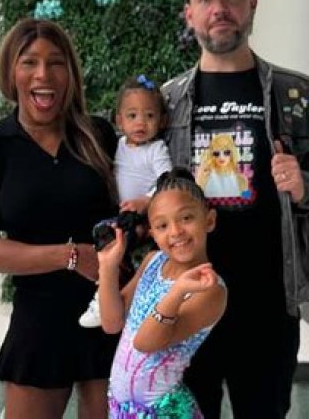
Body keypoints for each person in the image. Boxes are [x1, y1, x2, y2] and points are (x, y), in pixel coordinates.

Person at [161, 0, 309, 418]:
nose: (220, 8)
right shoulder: (166, 103)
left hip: (268, 309)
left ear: (251, 3)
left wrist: (306, 185)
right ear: (189, 13)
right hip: (187, 304)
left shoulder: (301, 96)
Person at [0, 18, 120, 418]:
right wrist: (70, 256)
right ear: (11, 73)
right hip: (39, 317)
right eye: (29, 61)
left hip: (110, 308)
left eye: (56, 62)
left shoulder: (99, 136)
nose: (43, 74)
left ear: (70, 74)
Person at [97, 167, 228, 418]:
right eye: (162, 225)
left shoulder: (209, 290)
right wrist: (108, 267)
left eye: (186, 218)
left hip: (165, 411)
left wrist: (176, 292)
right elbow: (112, 323)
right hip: (124, 409)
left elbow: (145, 343)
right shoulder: (152, 262)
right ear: (153, 234)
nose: (176, 231)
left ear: (209, 221)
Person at [79, 74, 173, 328]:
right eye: (132, 116)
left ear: (162, 121)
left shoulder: (156, 150)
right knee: (105, 237)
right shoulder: (119, 145)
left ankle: (105, 299)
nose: (140, 122)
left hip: (145, 215)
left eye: (149, 116)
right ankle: (115, 292)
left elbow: (167, 180)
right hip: (122, 212)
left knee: (118, 242)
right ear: (119, 120)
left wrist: (147, 200)